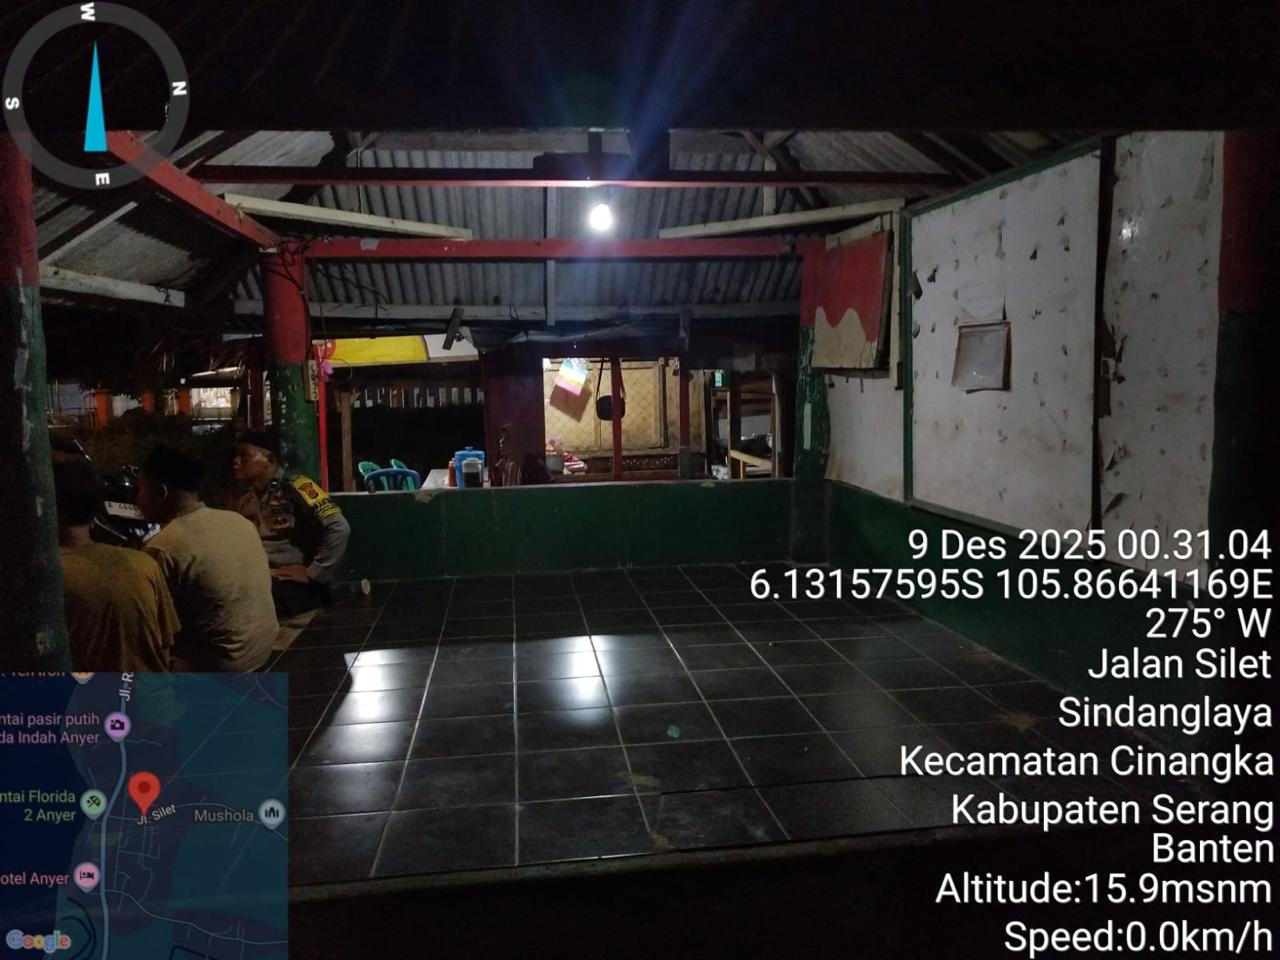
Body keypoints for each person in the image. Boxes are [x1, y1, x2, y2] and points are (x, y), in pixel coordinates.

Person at [137, 445, 277, 671]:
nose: (137, 498)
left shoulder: (163, 547)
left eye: (141, 488)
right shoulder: (237, 520)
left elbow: (151, 623)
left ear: (161, 492)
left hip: (218, 667)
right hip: (261, 652)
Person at [53, 459, 180, 671]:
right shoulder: (144, 564)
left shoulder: (45, 577)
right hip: (153, 691)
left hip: (90, 692)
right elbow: (166, 644)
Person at [231, 430, 351, 616]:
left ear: (270, 459)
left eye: (244, 455)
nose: (236, 462)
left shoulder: (298, 486)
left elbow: (339, 527)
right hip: (260, 577)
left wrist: (314, 573)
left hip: (289, 583)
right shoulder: (245, 496)